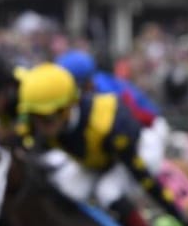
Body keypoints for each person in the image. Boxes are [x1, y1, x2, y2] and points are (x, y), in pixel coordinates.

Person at [17, 62, 188, 226]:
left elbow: (145, 179)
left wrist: (179, 215)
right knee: (66, 189)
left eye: (47, 118)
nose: (40, 127)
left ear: (68, 107)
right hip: (95, 157)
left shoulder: (107, 125)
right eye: (35, 118)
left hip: (138, 149)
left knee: (107, 191)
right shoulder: (40, 124)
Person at [56, 49, 171, 178]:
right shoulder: (91, 87)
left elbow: (132, 125)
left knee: (113, 187)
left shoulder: (102, 93)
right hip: (136, 131)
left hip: (151, 129)